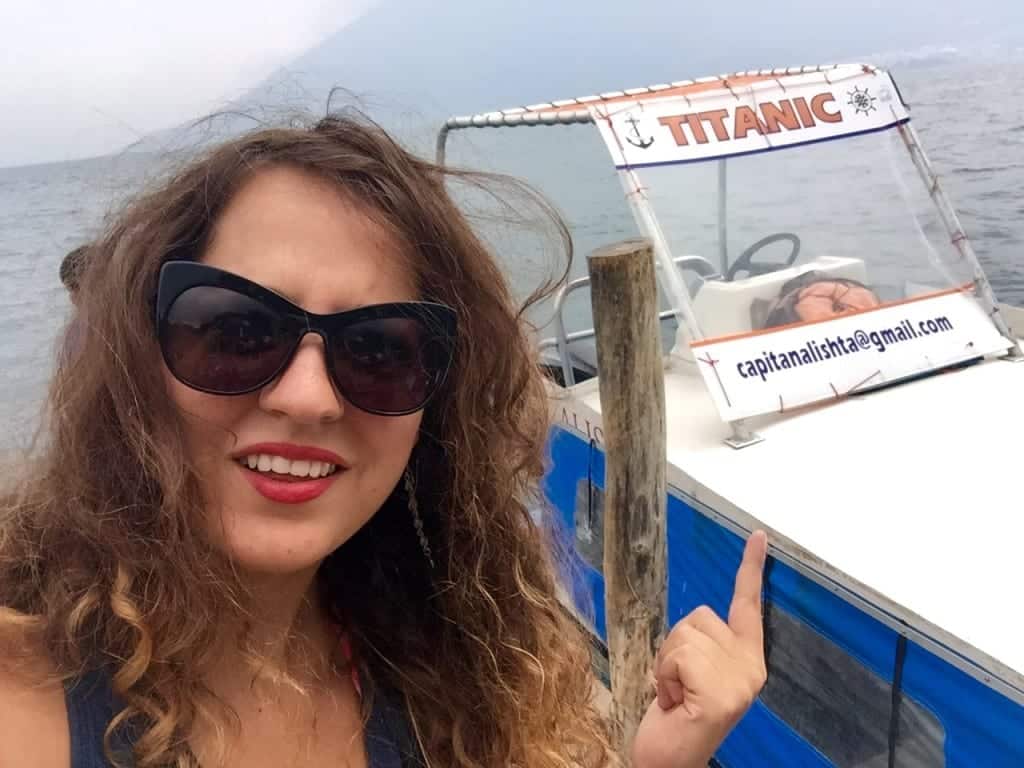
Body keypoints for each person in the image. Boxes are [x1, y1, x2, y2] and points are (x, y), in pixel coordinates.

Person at [0, 112, 768, 768]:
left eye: (378, 352)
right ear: (140, 355)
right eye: (236, 331)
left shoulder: (440, 677)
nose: (306, 398)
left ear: (434, 410)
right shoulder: (24, 701)